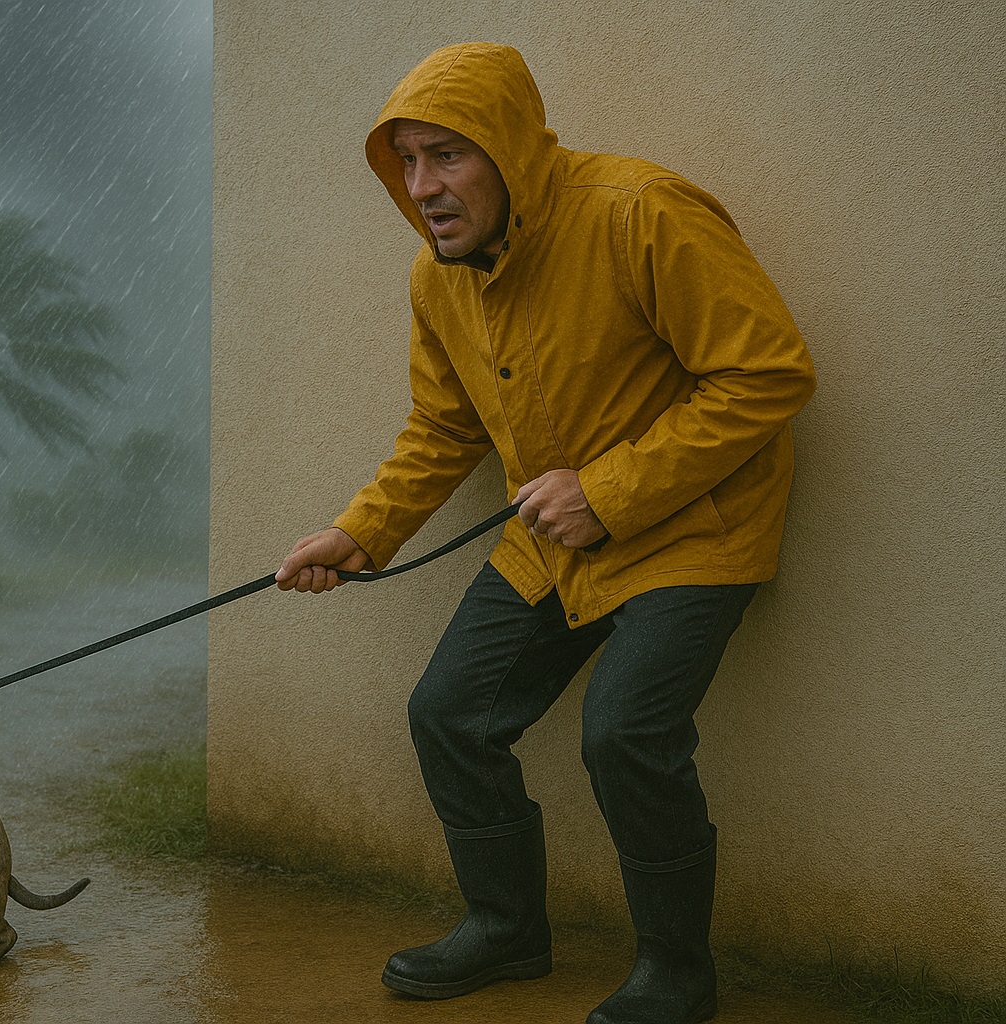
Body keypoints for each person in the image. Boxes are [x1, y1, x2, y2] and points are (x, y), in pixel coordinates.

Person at [272, 42, 816, 1024]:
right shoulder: (437, 280)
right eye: (405, 161)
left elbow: (767, 374)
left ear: (510, 149)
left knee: (625, 733)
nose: (423, 185)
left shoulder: (639, 212)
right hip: (554, 539)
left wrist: (610, 489)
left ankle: (677, 971)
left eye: (447, 155)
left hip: (694, 529)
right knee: (448, 710)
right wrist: (360, 534)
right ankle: (508, 926)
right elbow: (446, 428)